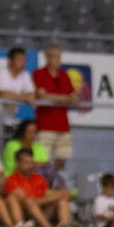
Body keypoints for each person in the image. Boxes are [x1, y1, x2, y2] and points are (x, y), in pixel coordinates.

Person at [32, 42, 76, 170]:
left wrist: (51, 96)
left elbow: (74, 98)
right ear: (47, 58)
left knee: (62, 161)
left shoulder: (64, 75)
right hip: (45, 124)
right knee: (42, 160)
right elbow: (41, 96)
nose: (58, 60)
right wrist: (65, 98)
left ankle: (57, 185)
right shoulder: (39, 73)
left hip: (63, 125)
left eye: (59, 56)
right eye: (55, 56)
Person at [5, 149, 70, 227]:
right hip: (24, 216)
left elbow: (47, 197)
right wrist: (55, 197)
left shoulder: (40, 179)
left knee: (62, 200)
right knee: (30, 201)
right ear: (18, 164)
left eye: (32, 163)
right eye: (26, 163)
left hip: (41, 215)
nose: (30, 166)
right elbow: (28, 202)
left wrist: (58, 195)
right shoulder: (11, 180)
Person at [0, 47, 36, 135]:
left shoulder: (24, 75)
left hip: (10, 121)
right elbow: (3, 94)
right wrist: (24, 97)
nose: (23, 63)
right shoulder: (1, 72)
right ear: (10, 60)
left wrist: (14, 96)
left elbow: (32, 95)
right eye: (19, 59)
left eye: (24, 60)